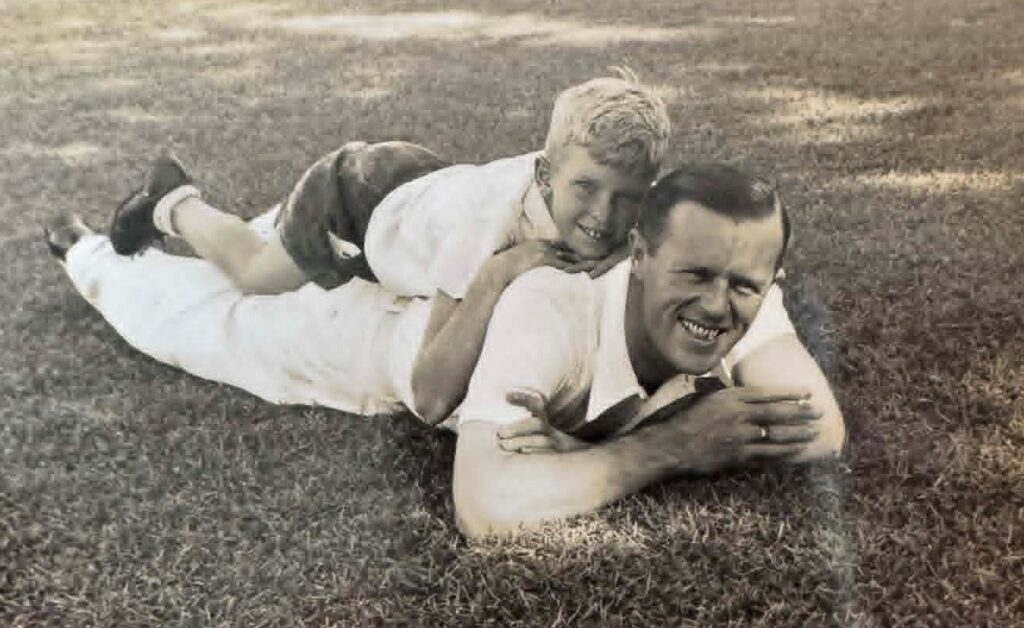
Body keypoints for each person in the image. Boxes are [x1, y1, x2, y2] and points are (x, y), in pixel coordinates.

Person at [43, 163, 844, 539]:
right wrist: (668, 448)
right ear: (640, 255)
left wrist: (606, 445)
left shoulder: (734, 282)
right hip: (374, 335)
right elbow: (486, 504)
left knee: (259, 251)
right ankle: (100, 243)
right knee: (200, 320)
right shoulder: (550, 309)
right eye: (694, 276)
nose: (718, 306)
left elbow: (821, 428)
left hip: (430, 275)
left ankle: (176, 207)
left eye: (745, 286)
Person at [106, 69, 671, 425]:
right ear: (546, 176)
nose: (605, 216)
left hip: (424, 185)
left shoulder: (626, 208)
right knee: (256, 276)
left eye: (627, 199)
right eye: (586, 189)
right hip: (354, 199)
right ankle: (171, 201)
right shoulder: (485, 229)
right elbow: (428, 397)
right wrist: (498, 276)